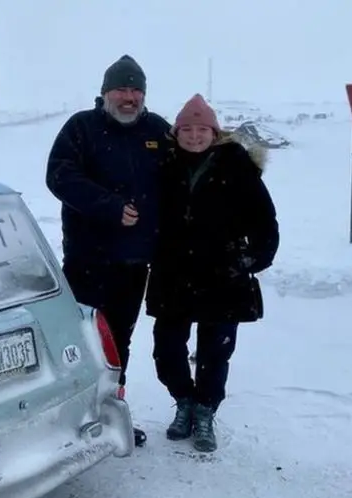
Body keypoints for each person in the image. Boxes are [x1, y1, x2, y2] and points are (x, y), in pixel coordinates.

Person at [45, 55, 173, 448]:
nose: (129, 97)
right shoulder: (81, 128)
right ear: (105, 93)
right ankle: (69, 420)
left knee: (118, 343)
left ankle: (109, 413)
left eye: (136, 89)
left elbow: (188, 171)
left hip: (134, 264)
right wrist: (109, 206)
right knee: (78, 342)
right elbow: (59, 176)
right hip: (87, 260)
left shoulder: (157, 131)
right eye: (121, 88)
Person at [146, 93, 279, 452]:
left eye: (201, 129)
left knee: (214, 353)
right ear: (176, 132)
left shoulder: (237, 165)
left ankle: (205, 411)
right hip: (172, 274)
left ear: (214, 132)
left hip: (223, 277)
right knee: (167, 349)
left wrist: (249, 261)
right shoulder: (163, 164)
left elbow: (265, 222)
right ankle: (184, 401)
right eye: (186, 129)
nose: (193, 136)